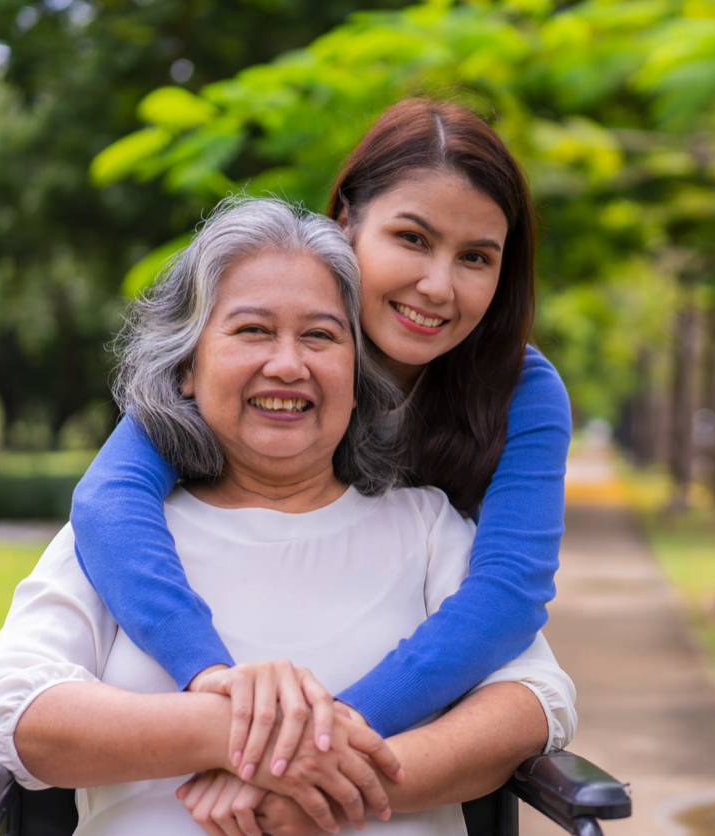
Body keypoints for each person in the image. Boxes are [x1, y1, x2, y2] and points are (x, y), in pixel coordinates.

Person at [0, 198, 576, 836]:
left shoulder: (426, 527)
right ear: (187, 369)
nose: (288, 364)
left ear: (358, 375)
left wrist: (329, 786)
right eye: (252, 330)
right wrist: (228, 728)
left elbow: (534, 701)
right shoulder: (123, 537)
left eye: (320, 335)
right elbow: (7, 710)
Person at [68, 97, 572, 789]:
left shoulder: (523, 391)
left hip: (392, 717)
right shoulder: (265, 359)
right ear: (346, 225)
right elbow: (108, 500)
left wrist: (312, 742)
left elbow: (508, 594)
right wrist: (211, 680)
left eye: (476, 257)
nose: (437, 285)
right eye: (413, 239)